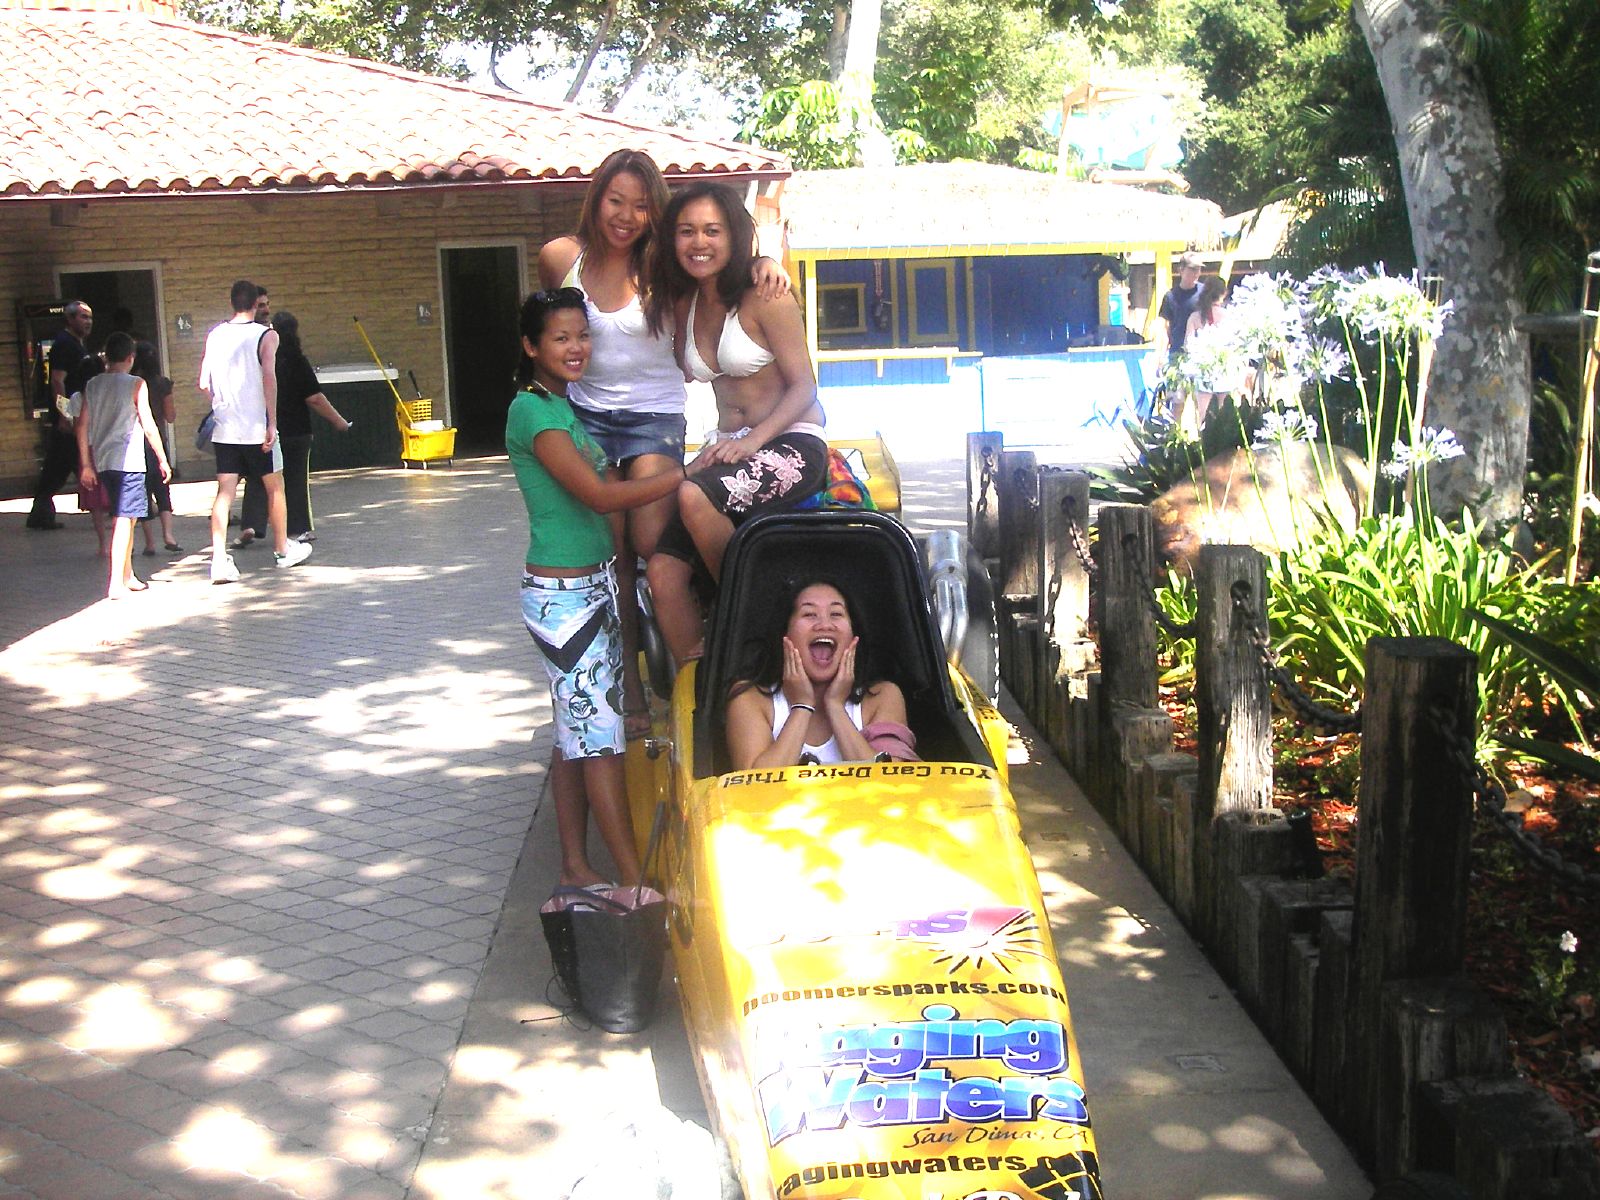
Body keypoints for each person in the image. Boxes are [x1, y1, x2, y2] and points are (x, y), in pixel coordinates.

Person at [537, 149, 790, 736]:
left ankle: (706, 643)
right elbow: (550, 335)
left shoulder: (664, 264)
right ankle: (629, 684)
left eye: (641, 205)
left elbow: (719, 263)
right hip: (586, 419)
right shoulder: (560, 258)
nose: (626, 216)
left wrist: (764, 261)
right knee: (611, 557)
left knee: (653, 542)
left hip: (653, 416)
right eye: (615, 201)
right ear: (596, 198)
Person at [509, 287, 684, 890]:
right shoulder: (532, 413)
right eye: (560, 338)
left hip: (593, 586)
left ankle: (576, 866)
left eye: (582, 335)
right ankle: (633, 884)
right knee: (602, 743)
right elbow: (600, 497)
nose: (576, 347)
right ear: (531, 346)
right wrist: (685, 476)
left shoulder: (564, 407)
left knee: (574, 735)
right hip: (564, 599)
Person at [644, 182, 828, 666]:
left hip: (791, 443)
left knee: (692, 494)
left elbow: (804, 388)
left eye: (712, 231)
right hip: (730, 447)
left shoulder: (766, 295)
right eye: (686, 231)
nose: (698, 242)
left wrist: (754, 443)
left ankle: (751, 623)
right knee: (662, 572)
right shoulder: (683, 302)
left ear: (734, 236)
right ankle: (702, 685)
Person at [725, 577, 908, 770]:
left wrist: (835, 707)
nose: (824, 625)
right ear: (785, 633)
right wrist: (802, 706)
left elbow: (890, 780)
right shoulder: (751, 699)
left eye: (836, 614)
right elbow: (755, 784)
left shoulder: (882, 697)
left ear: (854, 637)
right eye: (809, 614)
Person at [198, 280, 311, 583]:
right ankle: (282, 549)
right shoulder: (266, 335)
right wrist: (272, 422)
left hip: (225, 429)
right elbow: (269, 378)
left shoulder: (215, 334)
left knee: (224, 492)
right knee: (275, 487)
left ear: (232, 302)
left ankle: (219, 559)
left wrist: (221, 406)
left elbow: (204, 383)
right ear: (254, 304)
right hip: (257, 428)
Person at [74, 332, 171, 599]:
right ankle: (116, 580)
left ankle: (128, 574)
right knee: (125, 519)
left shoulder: (93, 384)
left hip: (103, 459)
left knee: (126, 515)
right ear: (131, 357)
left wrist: (85, 464)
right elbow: (148, 424)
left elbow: (82, 426)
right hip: (129, 460)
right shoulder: (136, 384)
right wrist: (162, 458)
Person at [240, 312, 351, 544]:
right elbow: (314, 398)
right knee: (296, 480)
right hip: (297, 430)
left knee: (258, 476)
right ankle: (297, 528)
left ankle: (251, 524)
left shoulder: (263, 359)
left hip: (265, 427)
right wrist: (338, 420)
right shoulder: (297, 361)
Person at [26, 300, 95, 530]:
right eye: (83, 317)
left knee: (59, 465)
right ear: (70, 319)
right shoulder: (65, 344)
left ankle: (41, 513)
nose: (88, 322)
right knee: (64, 463)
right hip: (69, 418)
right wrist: (64, 415)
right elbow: (57, 380)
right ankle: (104, 505)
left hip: (76, 415)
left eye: (90, 317)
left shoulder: (75, 344)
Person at [131, 342, 182, 556]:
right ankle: (168, 536)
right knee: (162, 489)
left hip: (136, 443)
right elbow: (170, 416)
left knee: (142, 492)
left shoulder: (132, 384)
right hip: (158, 441)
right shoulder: (163, 384)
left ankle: (150, 543)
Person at [234, 284, 274, 546]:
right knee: (268, 476)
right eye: (261, 305)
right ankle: (283, 540)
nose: (266, 309)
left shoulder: (271, 334)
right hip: (250, 415)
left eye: (267, 304)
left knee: (258, 474)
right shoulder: (244, 337)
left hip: (263, 412)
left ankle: (252, 524)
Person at [1182, 274, 1230, 430]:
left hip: (1202, 369)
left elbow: (1187, 345)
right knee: (1225, 412)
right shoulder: (1228, 316)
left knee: (1202, 415)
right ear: (1224, 293)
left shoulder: (1195, 317)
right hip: (1224, 369)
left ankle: (1204, 440)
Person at [1159, 251, 1205, 361]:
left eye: (1198, 269)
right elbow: (1165, 329)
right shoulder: (1170, 296)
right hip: (1177, 353)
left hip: (1201, 353)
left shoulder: (1206, 293)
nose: (1196, 273)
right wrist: (1161, 356)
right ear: (1181, 270)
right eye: (1192, 269)